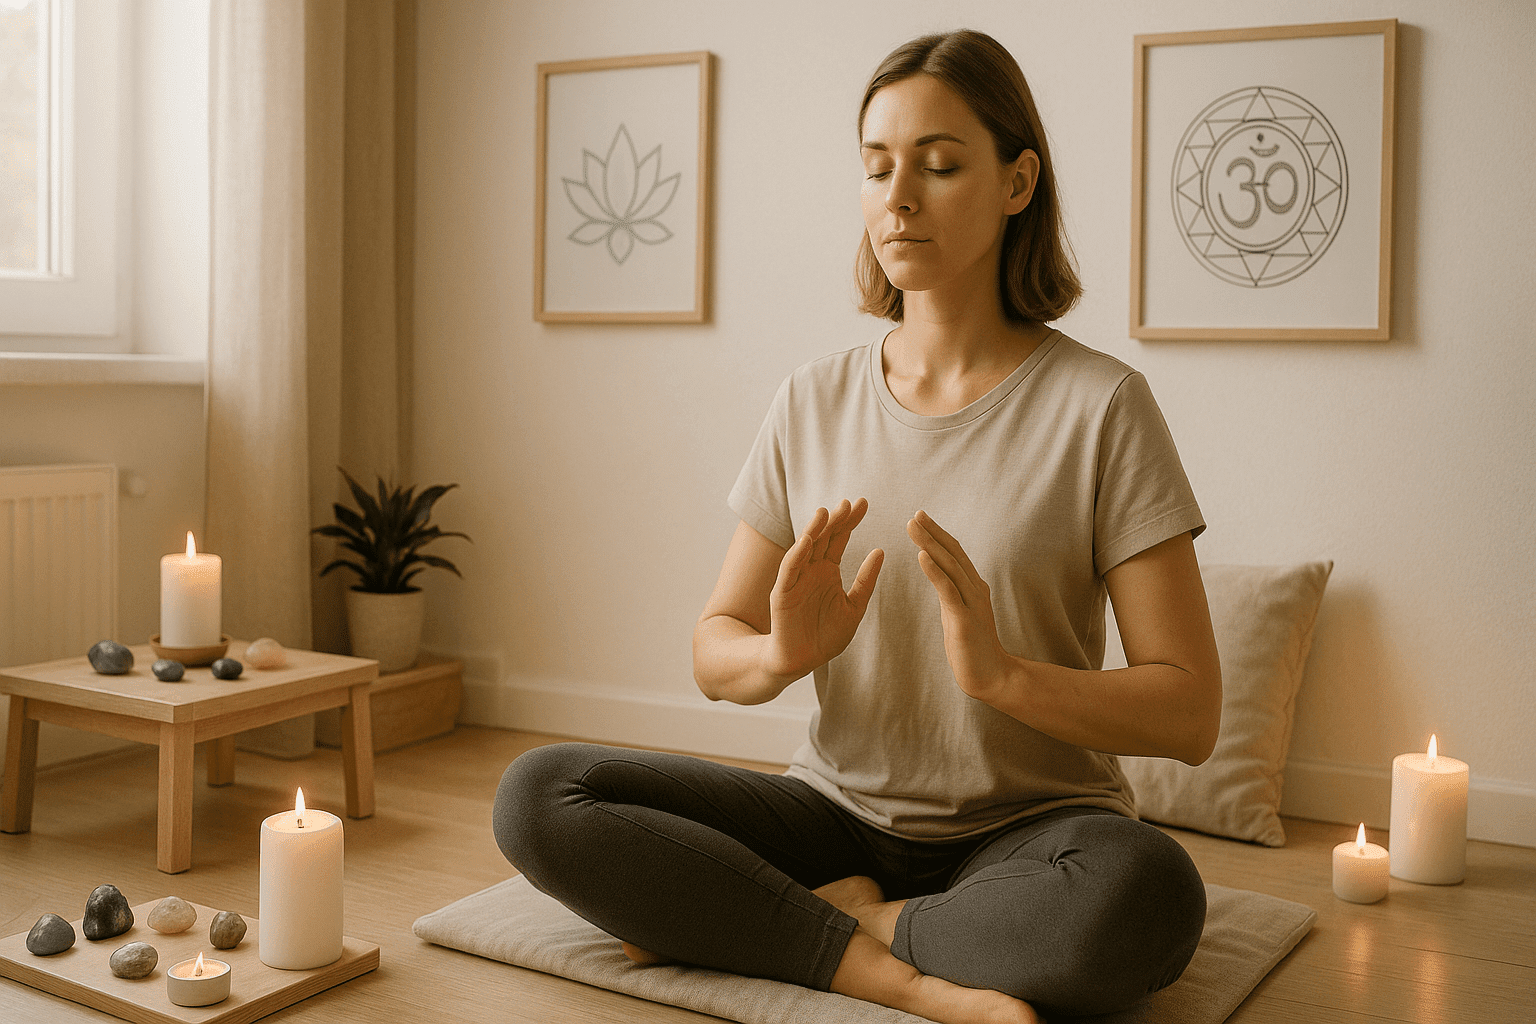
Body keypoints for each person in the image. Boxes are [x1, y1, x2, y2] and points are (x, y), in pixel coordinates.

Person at [494, 29, 1222, 1024]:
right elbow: (717, 648)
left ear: (1018, 183)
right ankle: (888, 964)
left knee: (1151, 894)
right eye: (878, 167)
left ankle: (807, 926)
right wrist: (780, 655)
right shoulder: (814, 399)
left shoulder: (1102, 406)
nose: (899, 198)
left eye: (939, 164)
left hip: (1035, 828)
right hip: (834, 812)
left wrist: (1006, 678)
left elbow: (1188, 711)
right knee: (540, 793)